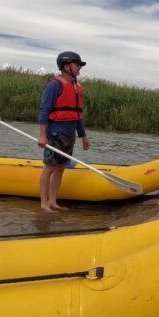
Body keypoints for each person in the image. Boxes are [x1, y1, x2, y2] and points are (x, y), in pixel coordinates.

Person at [36, 51, 91, 212]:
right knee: (50, 168)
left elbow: (77, 115)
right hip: (55, 134)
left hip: (70, 135)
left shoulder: (77, 87)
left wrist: (83, 136)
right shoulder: (54, 85)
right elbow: (44, 111)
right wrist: (42, 135)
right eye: (77, 65)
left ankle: (53, 201)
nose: (80, 68)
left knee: (60, 168)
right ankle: (44, 203)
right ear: (66, 66)